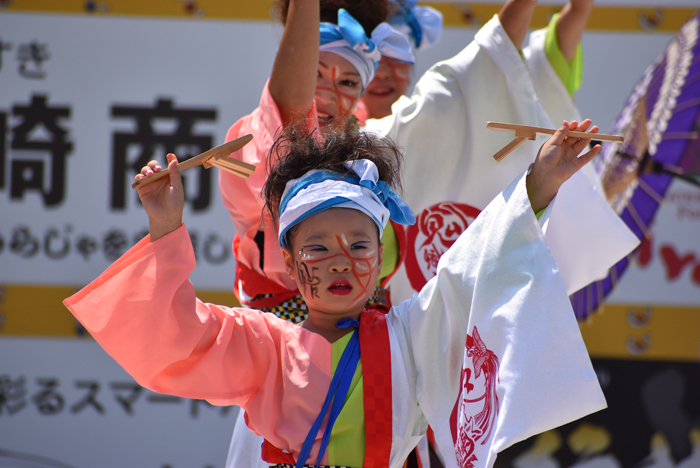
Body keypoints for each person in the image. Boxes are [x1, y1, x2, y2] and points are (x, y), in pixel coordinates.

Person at [65, 120, 607, 467]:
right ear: (291, 265)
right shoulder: (265, 344)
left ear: (381, 258)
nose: (341, 260)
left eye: (358, 244)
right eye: (318, 248)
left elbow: (477, 264)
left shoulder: (411, 332)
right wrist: (165, 224)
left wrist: (541, 181)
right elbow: (178, 332)